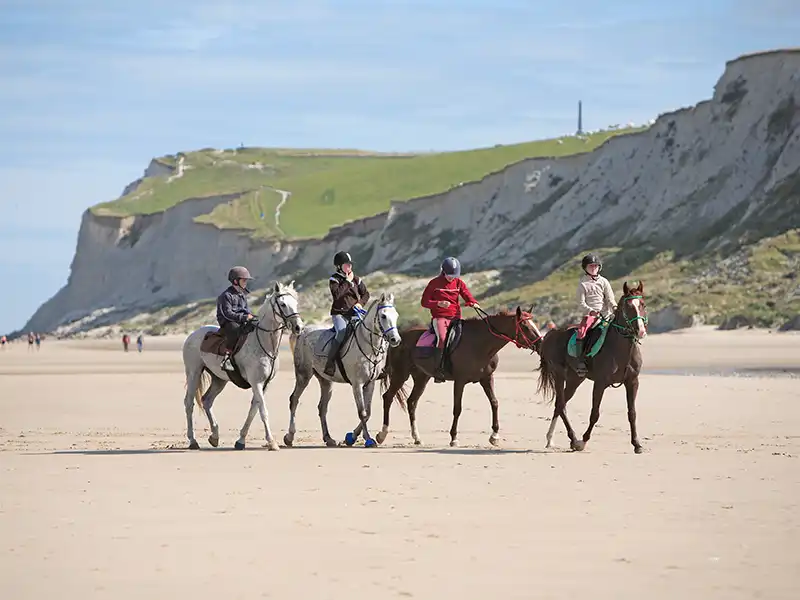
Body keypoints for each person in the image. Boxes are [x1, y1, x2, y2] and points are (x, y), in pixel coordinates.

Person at [420, 257, 480, 382]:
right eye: (449, 275)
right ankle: (439, 369)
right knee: (442, 339)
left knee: (466, 340)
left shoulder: (459, 283)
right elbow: (424, 302)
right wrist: (438, 303)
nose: (452, 278)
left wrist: (472, 302)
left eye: (454, 275)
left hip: (456, 318)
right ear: (443, 271)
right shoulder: (434, 283)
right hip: (440, 318)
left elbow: (466, 294)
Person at [324, 250, 370, 376]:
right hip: (339, 314)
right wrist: (348, 282)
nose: (349, 267)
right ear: (339, 266)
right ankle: (330, 362)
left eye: (350, 264)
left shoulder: (357, 279)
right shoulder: (334, 279)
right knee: (342, 332)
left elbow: (366, 294)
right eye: (346, 264)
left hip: (355, 314)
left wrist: (360, 303)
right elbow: (337, 295)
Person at [575, 253, 617, 371]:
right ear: (585, 268)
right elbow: (580, 303)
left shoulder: (604, 281)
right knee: (581, 333)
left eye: (595, 266)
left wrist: (614, 307)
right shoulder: (582, 284)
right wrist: (591, 311)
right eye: (590, 266)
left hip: (606, 314)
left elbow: (610, 298)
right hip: (591, 315)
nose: (593, 268)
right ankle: (581, 361)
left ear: (599, 267)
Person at [216, 266, 257, 372]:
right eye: (244, 280)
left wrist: (252, 317)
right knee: (234, 329)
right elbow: (227, 314)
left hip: (240, 320)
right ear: (235, 281)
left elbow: (245, 310)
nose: (246, 283)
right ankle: (227, 358)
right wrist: (243, 317)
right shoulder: (226, 295)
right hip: (228, 322)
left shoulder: (242, 294)